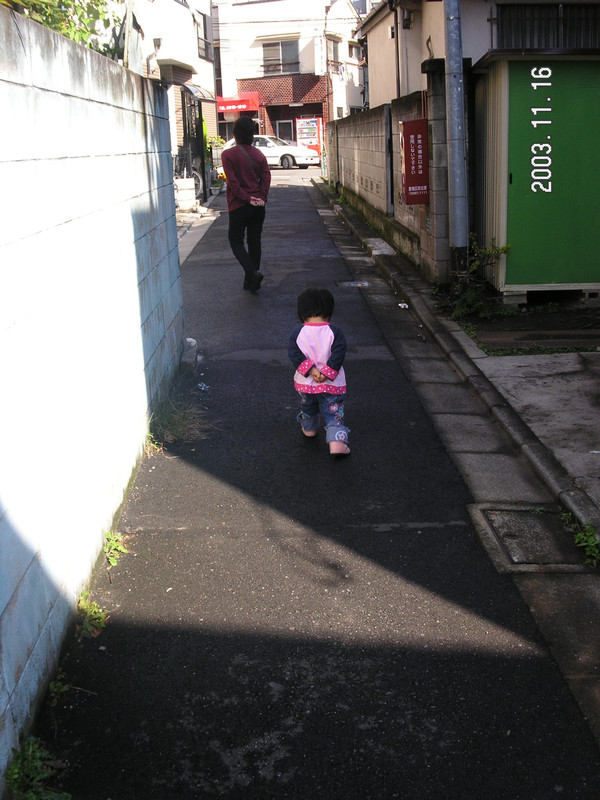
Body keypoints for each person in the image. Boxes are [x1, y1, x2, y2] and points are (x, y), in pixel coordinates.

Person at [288, 288, 351, 456]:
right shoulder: (334, 332)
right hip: (331, 384)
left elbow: (295, 354)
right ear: (329, 312)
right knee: (333, 412)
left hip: (306, 384)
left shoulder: (298, 333)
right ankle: (337, 442)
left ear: (302, 313)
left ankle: (309, 429)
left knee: (308, 406)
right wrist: (326, 373)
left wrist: (312, 370)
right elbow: (338, 354)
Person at [221, 117, 272, 293]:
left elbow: (233, 183)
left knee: (236, 241)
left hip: (238, 206)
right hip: (258, 206)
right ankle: (251, 281)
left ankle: (252, 274)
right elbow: (266, 177)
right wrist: (262, 197)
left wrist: (246, 198)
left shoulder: (228, 155)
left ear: (235, 134)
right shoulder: (259, 155)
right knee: (254, 242)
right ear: (252, 134)